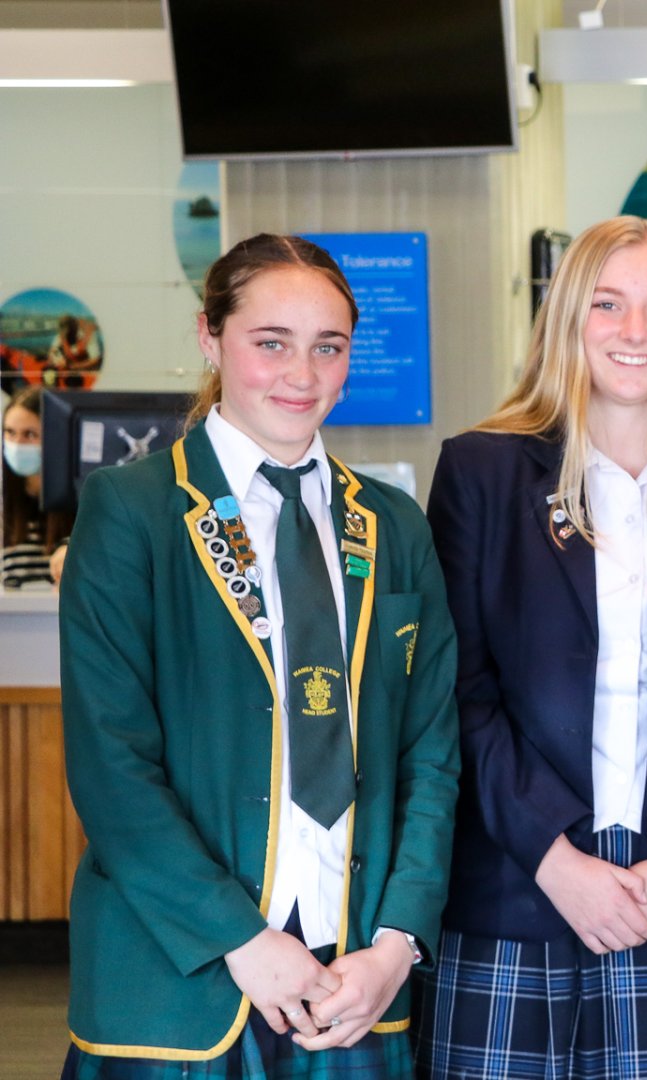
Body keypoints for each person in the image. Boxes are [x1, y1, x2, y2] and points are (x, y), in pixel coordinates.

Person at [58, 233, 461, 1075]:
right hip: (181, 976)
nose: (301, 375)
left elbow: (431, 753)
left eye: (329, 347)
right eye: (269, 343)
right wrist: (239, 936)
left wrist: (396, 944)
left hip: (353, 981)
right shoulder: (131, 512)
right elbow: (111, 763)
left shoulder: (394, 523)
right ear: (210, 338)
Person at [417, 215, 647, 1079]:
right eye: (609, 304)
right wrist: (556, 860)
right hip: (523, 892)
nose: (636, 332)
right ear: (566, 321)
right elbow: (456, 694)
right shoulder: (481, 472)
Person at [2, 385, 72, 587]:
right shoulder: (4, 502)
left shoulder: (81, 499)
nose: (17, 443)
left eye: (30, 434)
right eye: (10, 432)